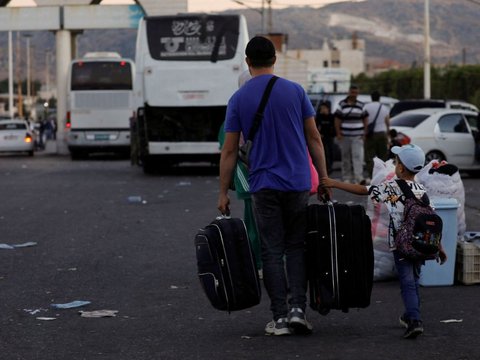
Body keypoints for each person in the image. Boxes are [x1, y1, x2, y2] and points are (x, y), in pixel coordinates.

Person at [217, 36, 331, 336]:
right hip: (297, 182)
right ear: (274, 59)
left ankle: (279, 318)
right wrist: (324, 177)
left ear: (247, 61)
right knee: (296, 246)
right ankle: (298, 310)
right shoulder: (295, 91)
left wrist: (223, 192)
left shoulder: (239, 99)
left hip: (263, 184)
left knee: (271, 250)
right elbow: (314, 138)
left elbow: (229, 151)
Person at [320, 144, 447, 340]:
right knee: (413, 279)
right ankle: (410, 314)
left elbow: (363, 190)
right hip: (421, 243)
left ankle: (414, 320)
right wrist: (439, 247)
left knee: (407, 282)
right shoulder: (422, 190)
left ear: (401, 168)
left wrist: (334, 183)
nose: (395, 164)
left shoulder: (392, 188)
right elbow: (430, 219)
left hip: (402, 245)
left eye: (397, 162)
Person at [218, 70, 263, 274]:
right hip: (278, 176)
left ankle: (260, 264)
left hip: (247, 176)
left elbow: (227, 149)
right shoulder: (274, 105)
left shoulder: (236, 107)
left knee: (254, 223)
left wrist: (224, 191)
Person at [334, 84, 368, 184]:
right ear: (349, 92)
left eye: (356, 93)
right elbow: (337, 119)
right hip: (345, 136)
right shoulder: (342, 104)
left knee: (357, 157)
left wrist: (365, 133)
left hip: (358, 136)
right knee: (345, 157)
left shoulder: (362, 105)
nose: (354, 94)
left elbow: (365, 119)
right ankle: (346, 177)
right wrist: (338, 133)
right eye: (353, 92)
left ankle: (358, 177)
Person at [363, 90, 390, 180]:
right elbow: (387, 122)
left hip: (371, 134)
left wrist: (364, 133)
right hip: (382, 133)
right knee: (383, 156)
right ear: (379, 98)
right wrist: (388, 134)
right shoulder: (384, 107)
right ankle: (384, 177)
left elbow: (364, 121)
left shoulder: (366, 106)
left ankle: (372, 177)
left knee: (370, 157)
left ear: (371, 97)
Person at [315, 100, 336, 174]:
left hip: (329, 136)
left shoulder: (331, 116)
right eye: (322, 108)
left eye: (324, 108)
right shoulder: (319, 116)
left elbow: (334, 127)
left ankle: (330, 167)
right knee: (323, 152)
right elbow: (316, 126)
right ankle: (324, 167)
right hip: (321, 137)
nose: (323, 109)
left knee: (330, 152)